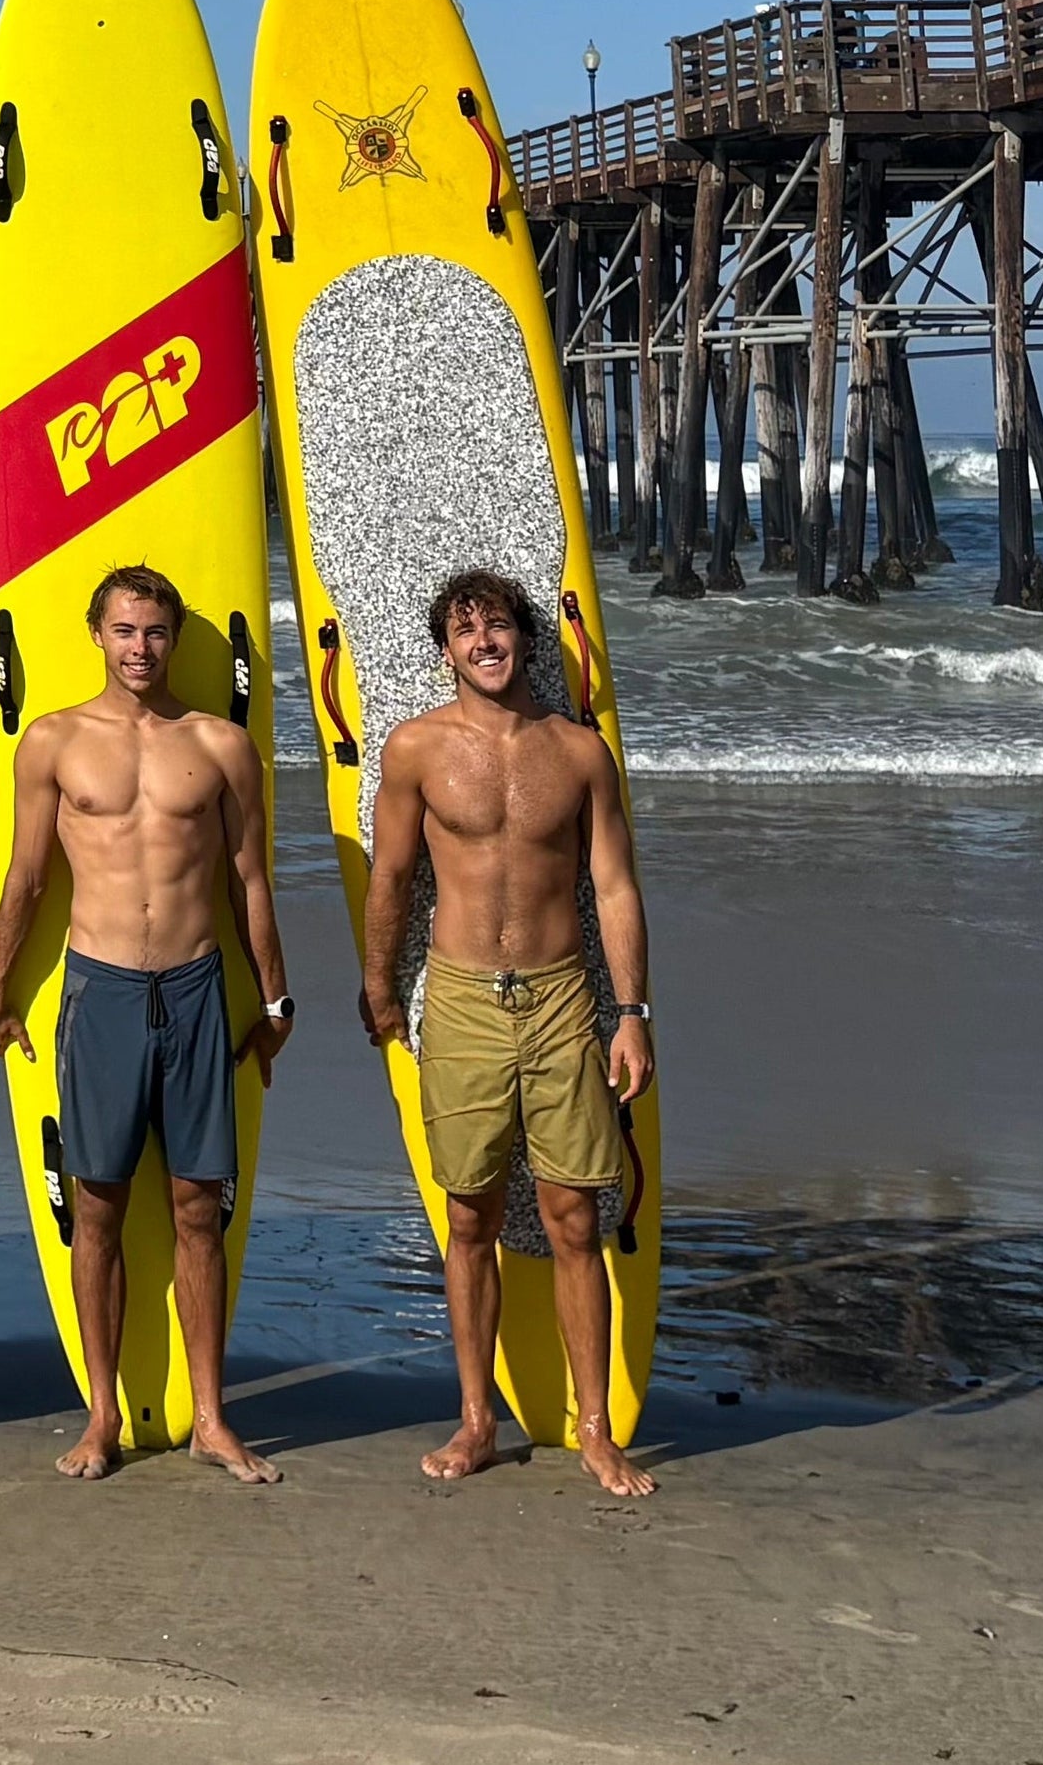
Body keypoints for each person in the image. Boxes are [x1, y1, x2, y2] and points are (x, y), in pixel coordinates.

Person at [0, 564, 291, 1483]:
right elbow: (28, 875)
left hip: (196, 987)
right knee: (98, 1207)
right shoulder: (54, 740)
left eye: (154, 631)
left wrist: (275, 1001)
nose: (140, 648)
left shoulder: (221, 744)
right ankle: (102, 1414)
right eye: (124, 630)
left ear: (174, 638)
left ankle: (212, 1418)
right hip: (101, 988)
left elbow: (249, 882)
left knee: (199, 1208)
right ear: (97, 634)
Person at [360, 568, 659, 1499]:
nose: (484, 642)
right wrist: (377, 986)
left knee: (575, 1217)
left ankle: (595, 1429)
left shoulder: (579, 754)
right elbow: (391, 878)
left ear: (524, 638)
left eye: (496, 625)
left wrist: (633, 1013)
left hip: (564, 998)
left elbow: (614, 886)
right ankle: (476, 1419)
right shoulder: (416, 749)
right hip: (459, 999)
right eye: (465, 631)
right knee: (468, 1215)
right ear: (446, 651)